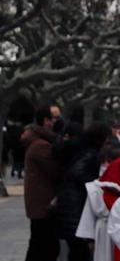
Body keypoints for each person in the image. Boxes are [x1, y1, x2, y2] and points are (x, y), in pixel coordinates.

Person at [55, 122, 110, 261]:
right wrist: (95, 183)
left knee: (77, 250)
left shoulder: (83, 151)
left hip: (70, 206)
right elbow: (77, 173)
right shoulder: (90, 154)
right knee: (79, 250)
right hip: (75, 208)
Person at [21, 107, 62, 261]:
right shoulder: (41, 145)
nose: (56, 123)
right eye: (55, 119)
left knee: (38, 245)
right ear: (46, 121)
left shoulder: (36, 141)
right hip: (43, 205)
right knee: (46, 247)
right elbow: (55, 171)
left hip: (38, 204)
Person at [76, 143, 120, 261]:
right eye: (103, 162)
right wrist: (90, 239)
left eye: (110, 162)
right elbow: (89, 215)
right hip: (103, 229)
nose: (106, 166)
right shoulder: (94, 186)